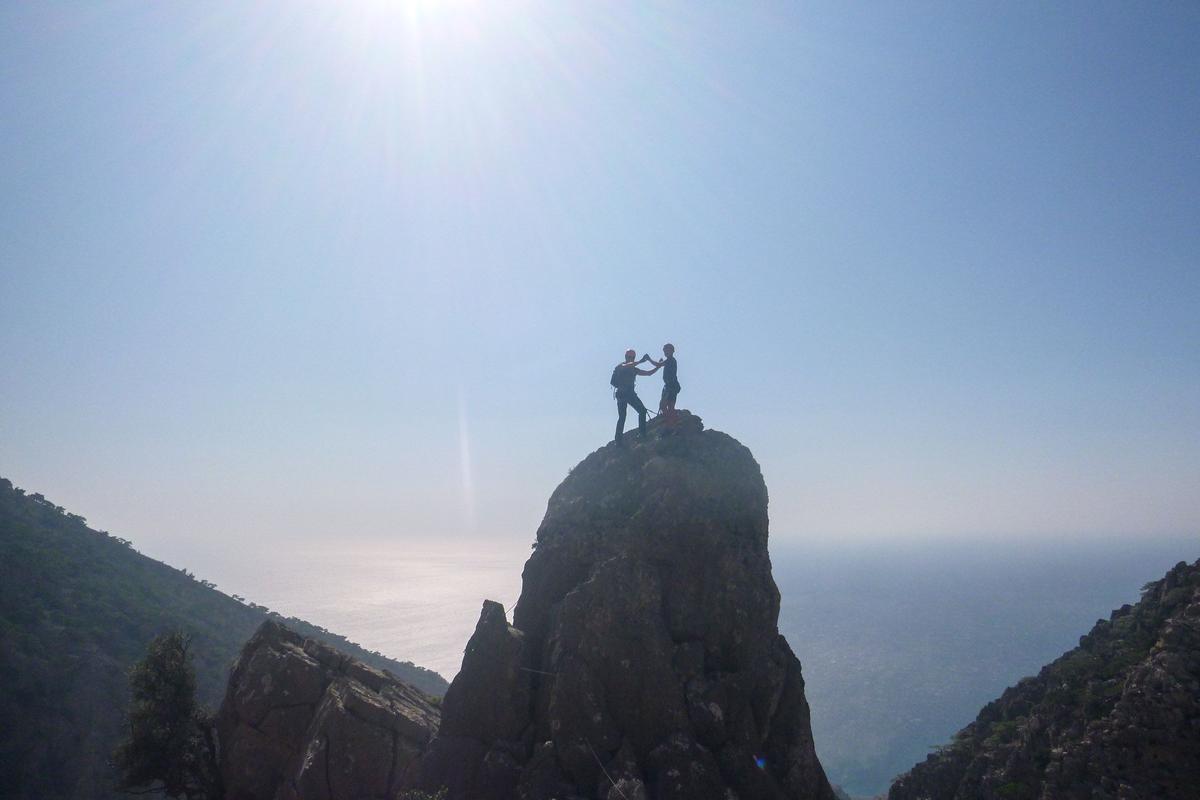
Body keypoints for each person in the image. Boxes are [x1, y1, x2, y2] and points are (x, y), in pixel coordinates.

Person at [610, 349, 660, 444]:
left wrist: (658, 366)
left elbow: (649, 373)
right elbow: (627, 366)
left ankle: (641, 434)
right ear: (626, 357)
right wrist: (641, 361)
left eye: (632, 357)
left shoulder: (633, 369)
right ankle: (620, 440)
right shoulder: (621, 366)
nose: (631, 359)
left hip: (627, 394)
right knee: (623, 416)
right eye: (630, 357)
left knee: (641, 411)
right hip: (623, 394)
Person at [653, 343, 681, 426]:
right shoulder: (669, 360)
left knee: (666, 405)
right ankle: (671, 423)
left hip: (671, 386)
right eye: (664, 351)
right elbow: (660, 364)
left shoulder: (671, 360)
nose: (665, 352)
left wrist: (649, 359)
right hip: (670, 386)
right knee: (666, 406)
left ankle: (671, 423)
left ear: (672, 351)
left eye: (667, 350)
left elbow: (658, 365)